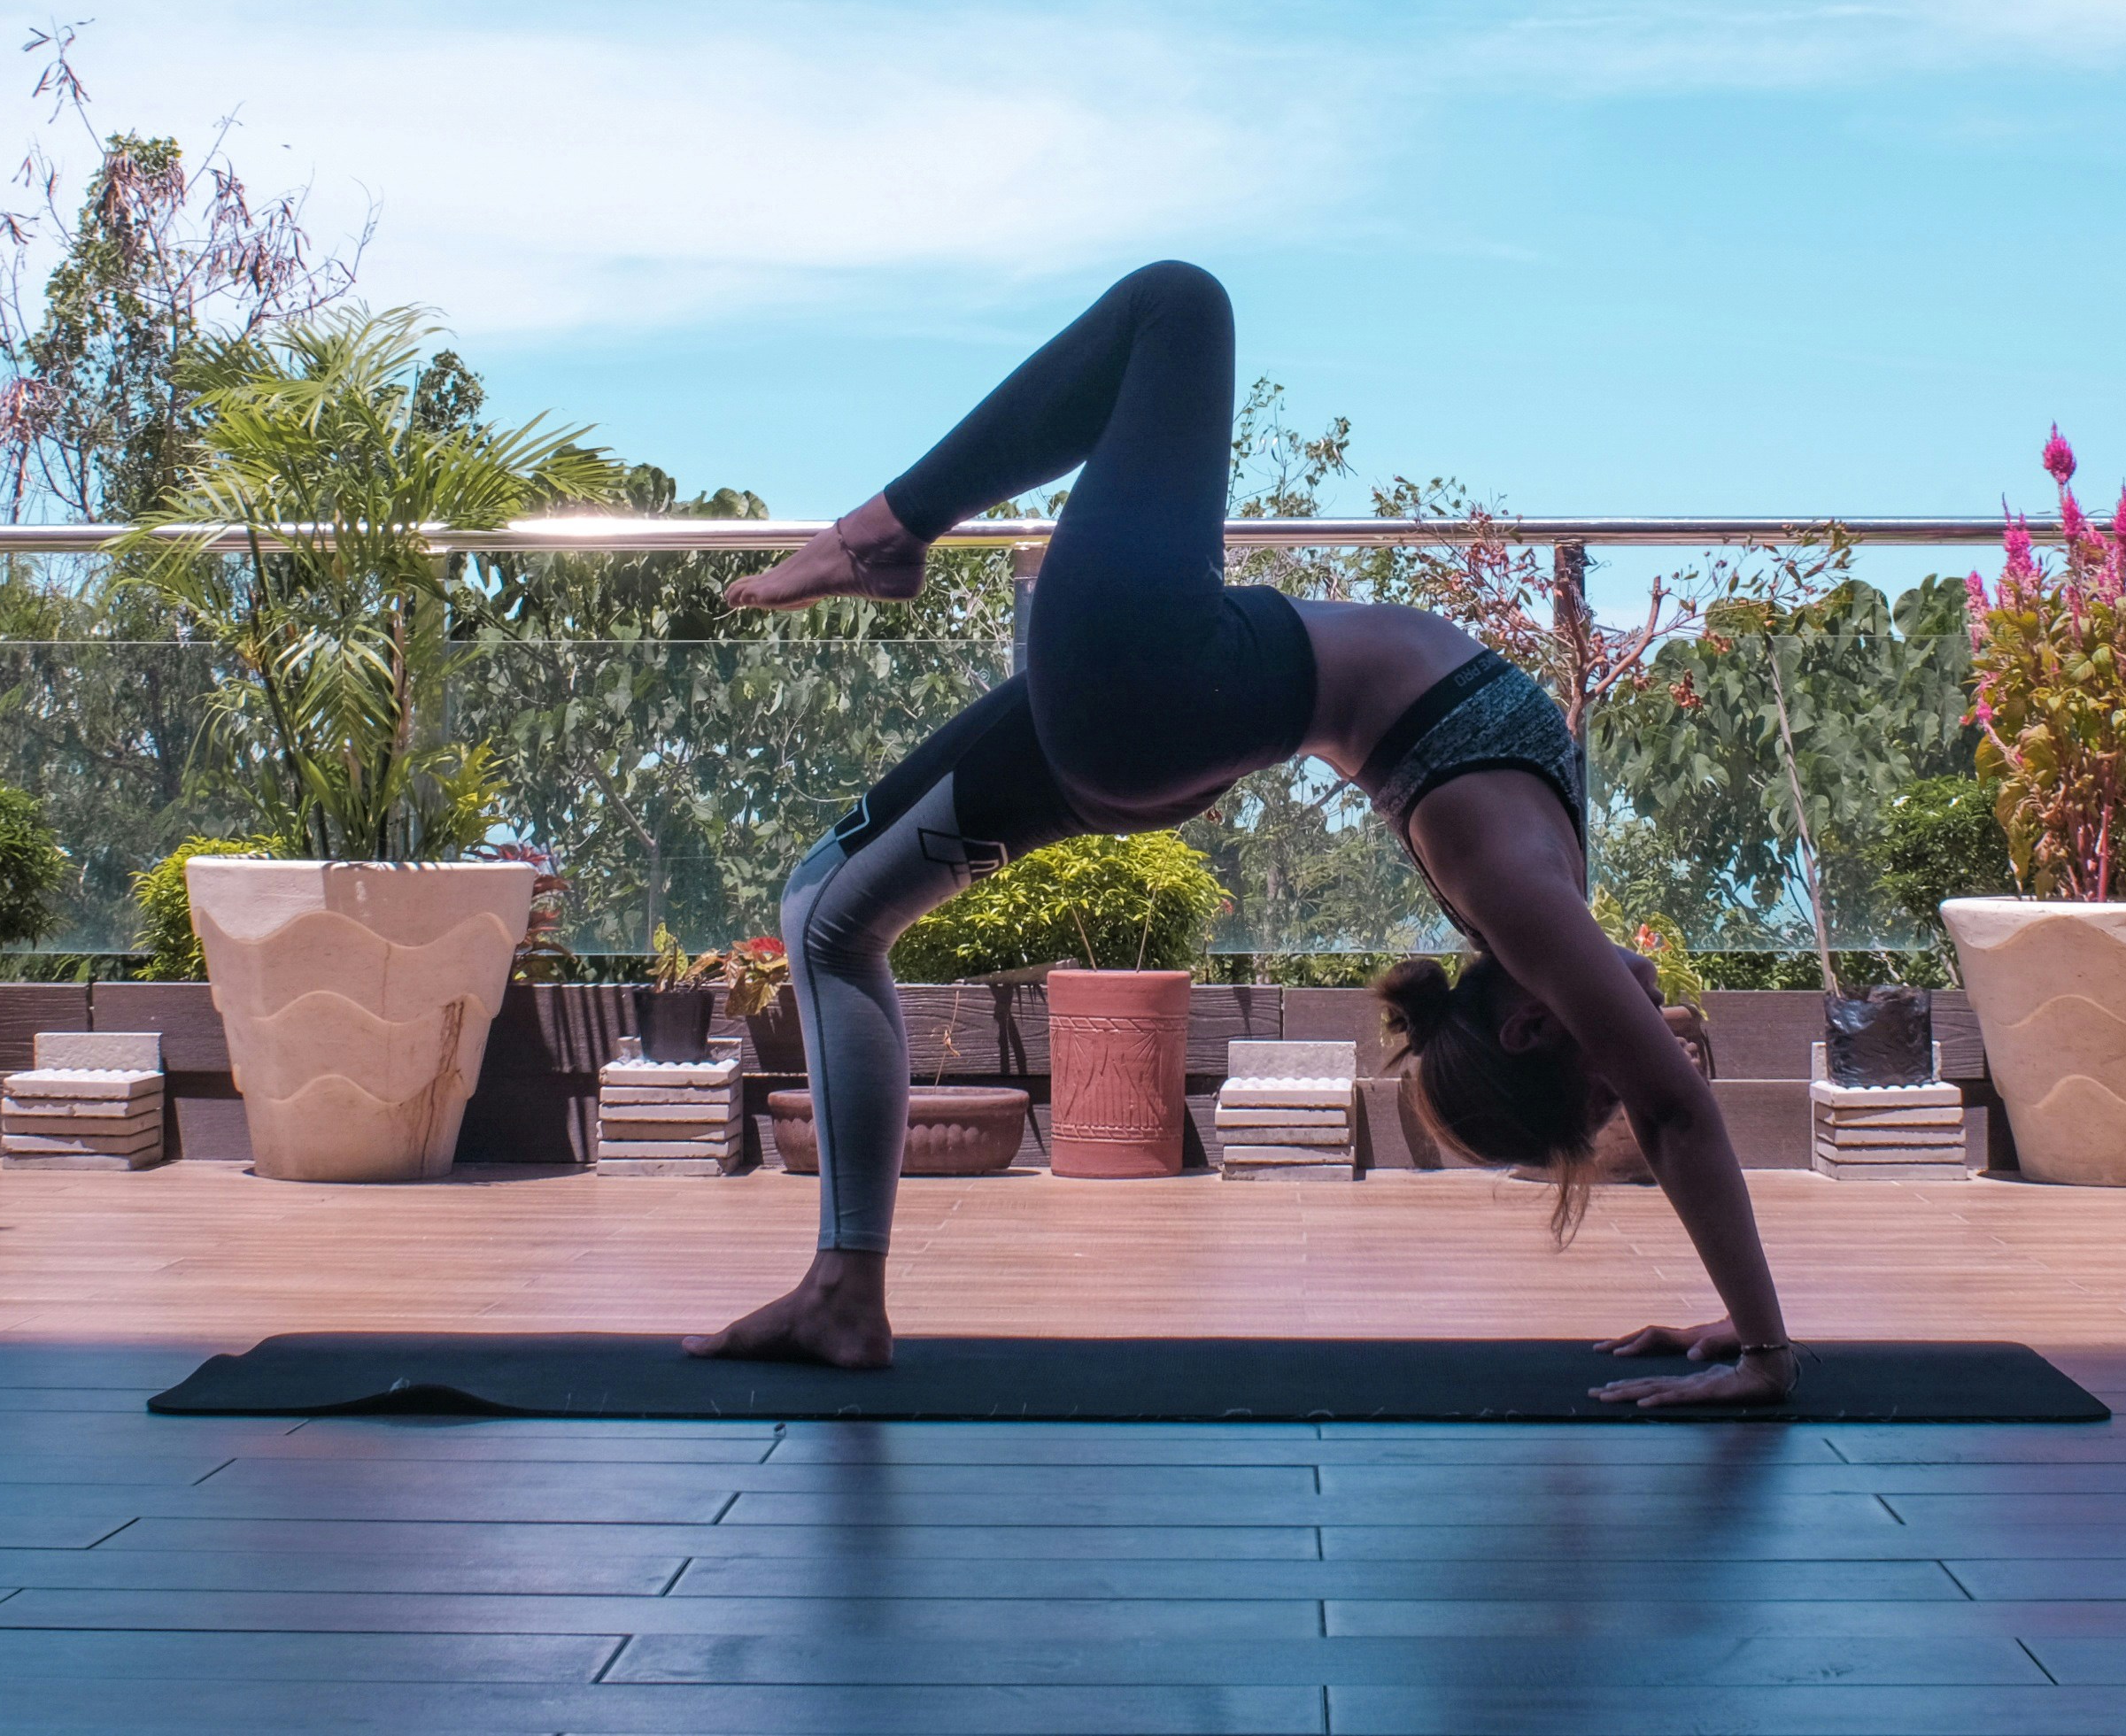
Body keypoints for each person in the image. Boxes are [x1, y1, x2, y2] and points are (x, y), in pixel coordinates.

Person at [683, 263, 1794, 1409]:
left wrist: (1762, 1348)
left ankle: (879, 535)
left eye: (1597, 1074)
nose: (1637, 1058)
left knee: (1178, 305)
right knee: (825, 912)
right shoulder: (1532, 886)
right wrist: (1738, 1317)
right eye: (1615, 1086)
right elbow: (1647, 1089)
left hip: (1163, 686)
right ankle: (842, 1291)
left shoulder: (1518, 892)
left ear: (1525, 1019)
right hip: (1160, 733)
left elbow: (1676, 1112)